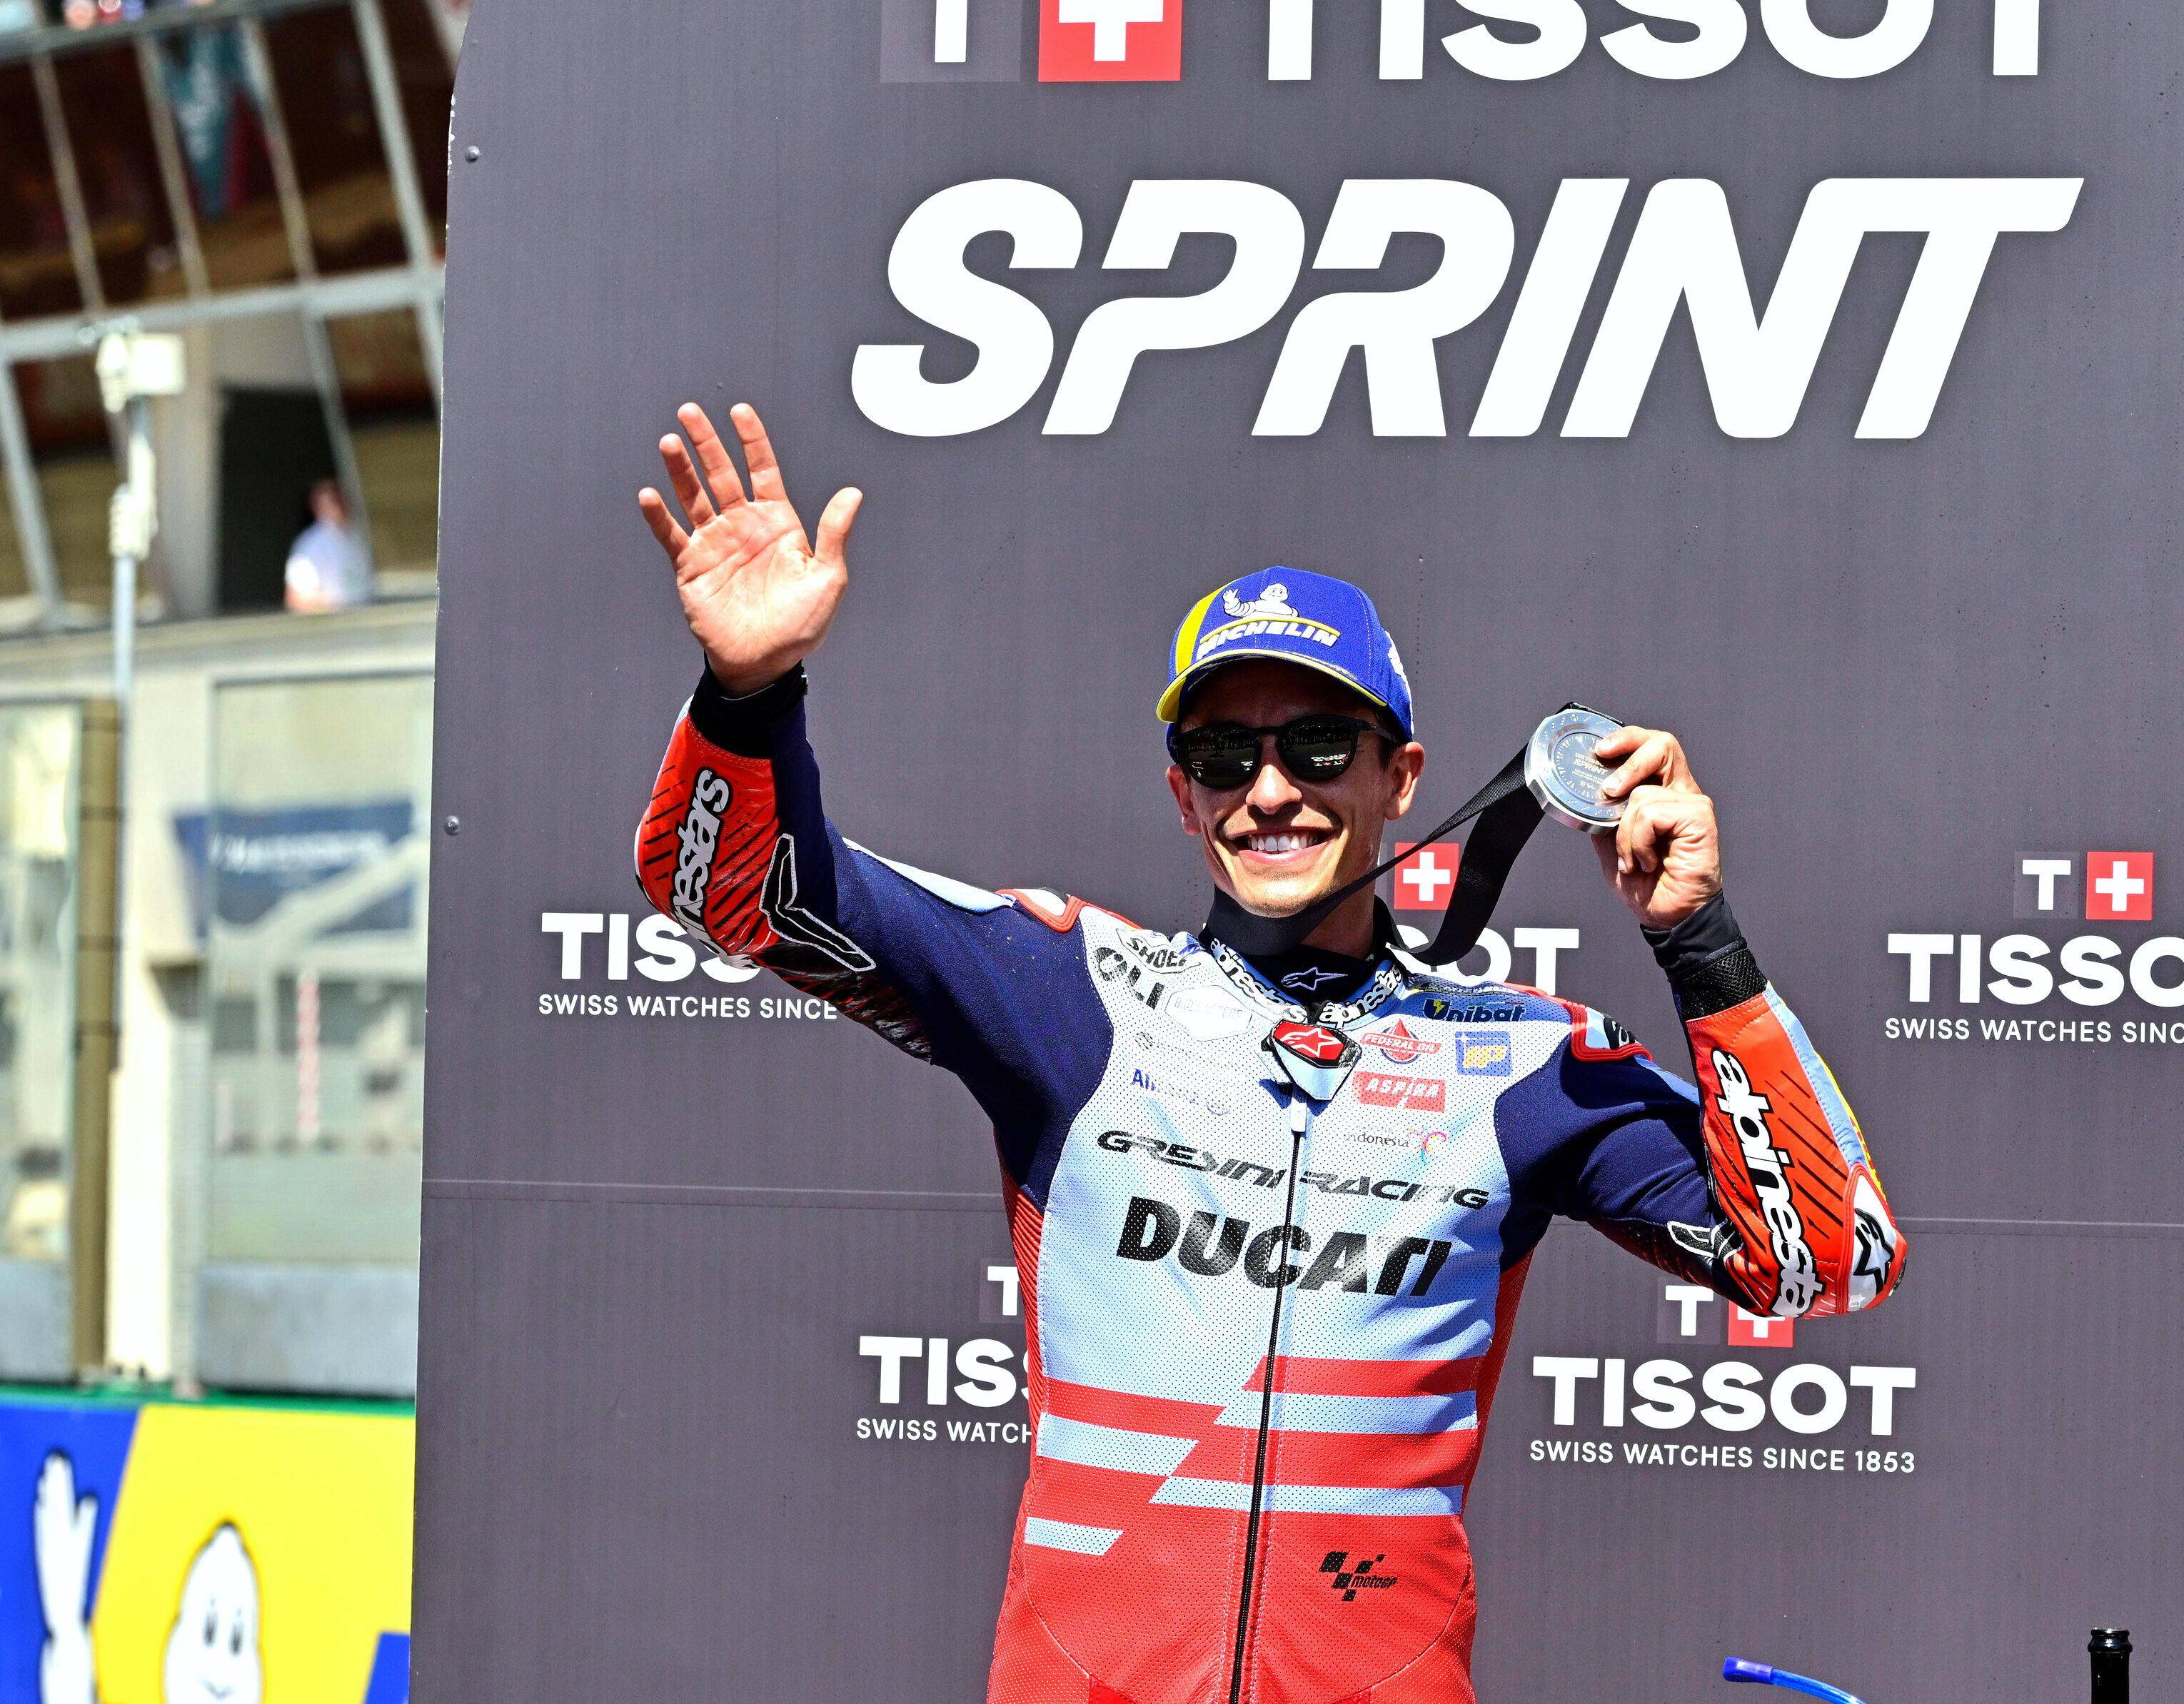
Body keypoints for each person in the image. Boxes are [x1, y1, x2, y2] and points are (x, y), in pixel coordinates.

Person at [630, 403, 1905, 1704]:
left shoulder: (1524, 1063)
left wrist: (1698, 939)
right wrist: (748, 696)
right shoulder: (1069, 990)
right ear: (1181, 793)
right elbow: (724, 888)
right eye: (1223, 753)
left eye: (1318, 746)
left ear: (1402, 777)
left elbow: (1827, 1259)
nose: (1271, 790)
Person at [283, 479, 373, 612]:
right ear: (315, 507)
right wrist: (334, 608)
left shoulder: (364, 534)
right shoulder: (309, 545)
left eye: (339, 497)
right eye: (331, 500)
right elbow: (298, 600)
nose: (338, 505)